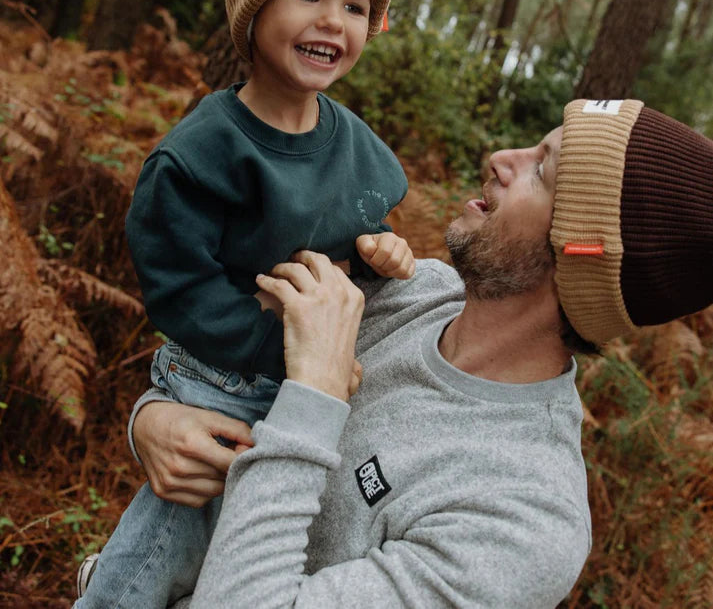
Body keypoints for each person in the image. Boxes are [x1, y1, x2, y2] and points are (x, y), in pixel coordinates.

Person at [126, 98, 713, 608]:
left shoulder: (524, 521)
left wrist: (317, 394)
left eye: (542, 171)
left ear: (581, 253)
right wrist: (152, 421)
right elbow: (227, 370)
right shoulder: (417, 292)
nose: (501, 159)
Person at [74, 0, 415, 608]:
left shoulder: (351, 142)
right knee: (170, 537)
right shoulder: (205, 151)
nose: (334, 20)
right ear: (254, 9)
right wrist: (288, 351)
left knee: (250, 548)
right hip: (220, 381)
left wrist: (383, 252)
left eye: (356, 6)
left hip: (308, 384)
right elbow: (177, 281)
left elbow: (359, 225)